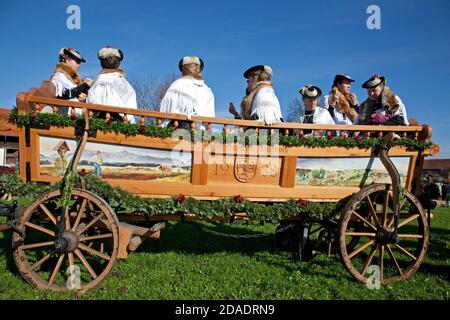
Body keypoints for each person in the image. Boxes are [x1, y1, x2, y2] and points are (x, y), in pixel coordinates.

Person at [159, 56, 215, 128]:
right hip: (198, 131)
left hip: (177, 130)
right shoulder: (207, 90)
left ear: (183, 69)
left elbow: (165, 112)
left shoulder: (176, 85)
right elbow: (209, 118)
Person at [87, 46, 138, 124]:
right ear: (117, 62)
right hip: (118, 122)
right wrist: (128, 119)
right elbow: (130, 99)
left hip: (96, 121)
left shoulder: (96, 81)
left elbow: (90, 100)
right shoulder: (118, 79)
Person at [50, 47, 92, 115]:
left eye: (80, 62)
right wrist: (86, 85)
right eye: (77, 61)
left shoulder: (72, 80)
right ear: (67, 59)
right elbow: (65, 94)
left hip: (75, 119)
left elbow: (74, 94)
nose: (79, 65)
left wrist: (83, 98)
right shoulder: (58, 76)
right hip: (64, 121)